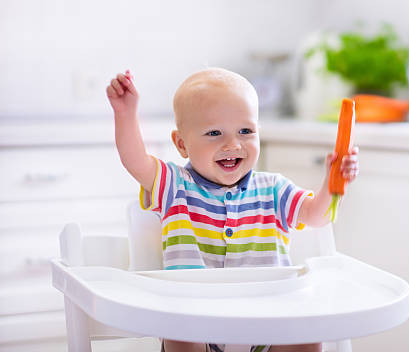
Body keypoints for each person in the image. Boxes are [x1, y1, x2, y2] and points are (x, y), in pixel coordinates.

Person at [106, 68, 360, 352]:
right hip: (194, 321)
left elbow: (317, 216)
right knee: (179, 334)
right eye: (214, 133)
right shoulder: (174, 185)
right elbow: (135, 160)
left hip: (268, 321)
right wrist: (125, 113)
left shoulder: (274, 189)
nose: (233, 144)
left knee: (306, 335)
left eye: (245, 131)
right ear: (181, 144)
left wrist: (334, 184)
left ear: (258, 133)